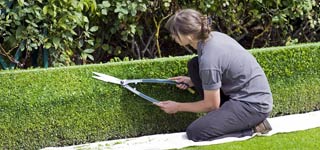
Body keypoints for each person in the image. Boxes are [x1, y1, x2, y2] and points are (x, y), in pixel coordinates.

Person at [154, 9, 273, 142]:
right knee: (194, 65)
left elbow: (211, 105)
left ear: (187, 36)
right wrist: (191, 81)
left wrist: (177, 107)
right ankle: (224, 118)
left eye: (174, 34)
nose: (173, 37)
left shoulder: (209, 58)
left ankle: (255, 127)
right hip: (243, 95)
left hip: (253, 105)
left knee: (195, 132)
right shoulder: (212, 37)